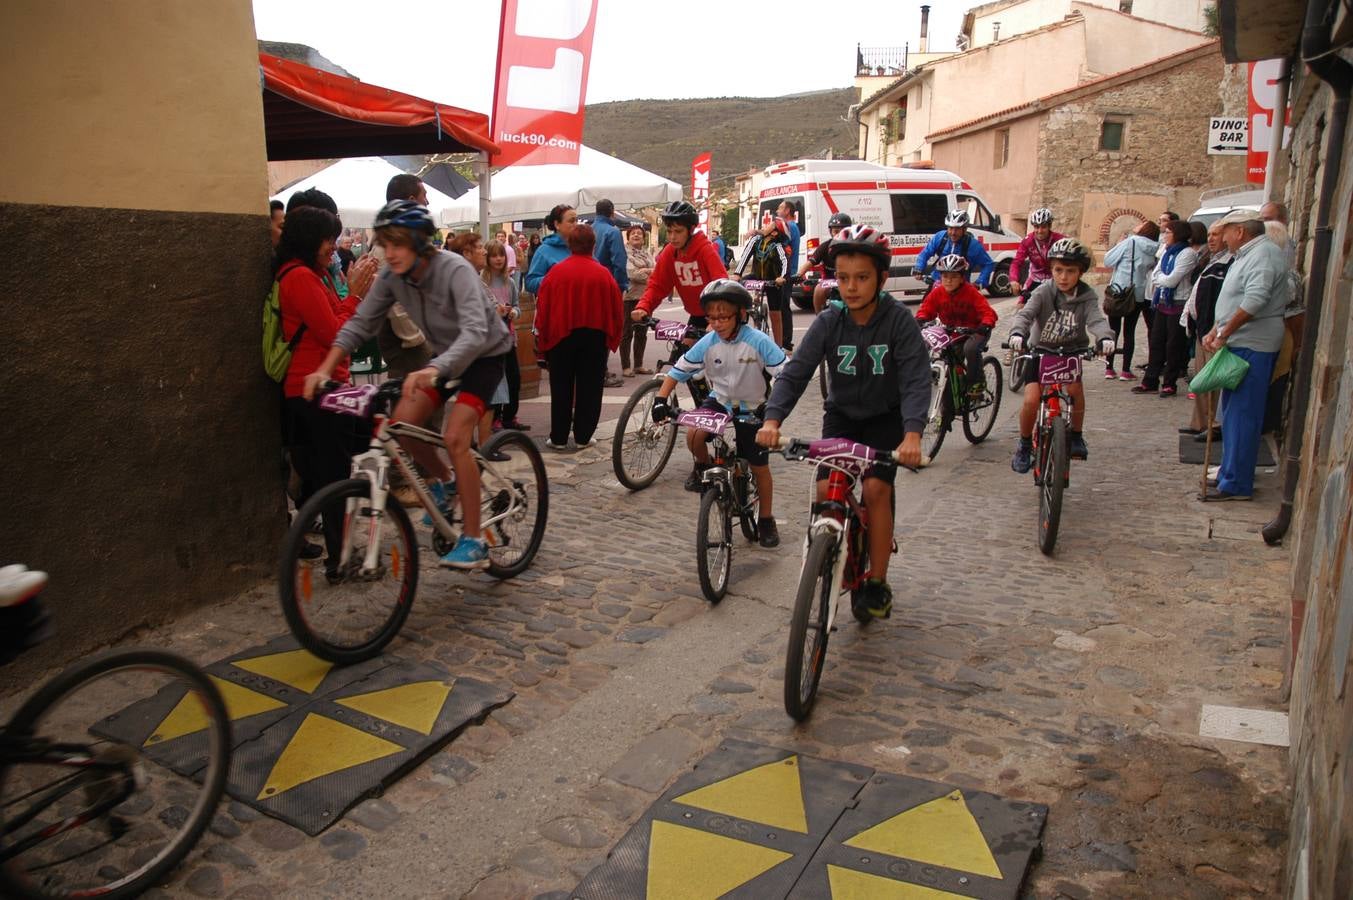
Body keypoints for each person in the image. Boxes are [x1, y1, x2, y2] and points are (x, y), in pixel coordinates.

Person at [303, 200, 513, 569]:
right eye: (386, 243)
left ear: (420, 243)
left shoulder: (454, 270)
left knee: (456, 436)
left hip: (485, 352)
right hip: (446, 356)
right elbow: (360, 324)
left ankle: (475, 539)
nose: (391, 252)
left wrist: (435, 368)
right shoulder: (392, 277)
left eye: (399, 243)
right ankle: (447, 482)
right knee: (402, 424)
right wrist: (325, 368)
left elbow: (476, 332)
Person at [757, 225, 930, 620]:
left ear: (882, 279)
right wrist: (772, 420)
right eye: (844, 277)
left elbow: (917, 380)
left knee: (875, 489)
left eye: (863, 278)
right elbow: (796, 373)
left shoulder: (899, 321)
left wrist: (912, 435)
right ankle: (826, 550)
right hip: (842, 417)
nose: (851, 287)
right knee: (825, 489)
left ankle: (876, 581)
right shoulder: (829, 320)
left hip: (886, 419)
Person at [651, 279, 787, 545]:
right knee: (694, 436)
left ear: (741, 314)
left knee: (759, 467)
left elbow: (785, 375)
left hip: (752, 405)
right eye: (712, 318)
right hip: (721, 400)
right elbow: (678, 371)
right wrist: (660, 399)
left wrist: (774, 409)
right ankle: (704, 472)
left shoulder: (758, 341)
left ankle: (767, 519)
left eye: (723, 317)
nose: (717, 323)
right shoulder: (708, 341)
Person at [276, 206, 373, 574]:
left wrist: (350, 291)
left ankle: (338, 550)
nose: (333, 247)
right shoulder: (299, 277)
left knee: (324, 473)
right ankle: (341, 558)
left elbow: (336, 316)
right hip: (316, 388)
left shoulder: (314, 275)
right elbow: (334, 334)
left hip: (316, 387)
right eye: (328, 240)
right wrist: (356, 296)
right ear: (309, 240)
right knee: (334, 475)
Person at [632, 200, 731, 486]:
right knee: (683, 362)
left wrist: (718, 316)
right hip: (695, 315)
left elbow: (720, 282)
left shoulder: (705, 249)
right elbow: (657, 285)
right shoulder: (669, 253)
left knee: (718, 369)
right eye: (669, 231)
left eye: (677, 231)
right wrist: (644, 307)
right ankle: (701, 432)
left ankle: (718, 414)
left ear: (690, 230)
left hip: (716, 314)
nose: (672, 237)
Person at [1200, 209, 1291, 501]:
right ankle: (1231, 473)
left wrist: (1225, 332)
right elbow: (1235, 299)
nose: (1222, 237)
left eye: (1225, 231)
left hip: (1253, 343)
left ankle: (1237, 482)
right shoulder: (1250, 254)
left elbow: (1255, 300)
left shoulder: (1262, 254)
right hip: (1241, 341)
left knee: (1243, 415)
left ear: (1240, 231)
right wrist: (1218, 328)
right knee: (1233, 413)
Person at [1008, 239, 1116, 472]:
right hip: (1040, 351)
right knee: (1031, 400)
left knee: (1076, 391)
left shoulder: (1087, 295)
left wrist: (1104, 338)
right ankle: (1025, 443)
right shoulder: (1043, 291)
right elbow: (1025, 315)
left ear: (1081, 272)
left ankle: (1076, 435)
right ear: (1051, 270)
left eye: (1070, 271)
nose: (1064, 277)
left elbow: (1096, 319)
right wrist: (1018, 333)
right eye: (1058, 270)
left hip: (1070, 352)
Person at [534, 224, 623, 450]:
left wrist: (541, 335)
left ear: (569, 244)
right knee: (590, 387)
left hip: (561, 336)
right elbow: (616, 310)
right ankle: (583, 436)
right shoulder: (604, 274)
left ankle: (559, 437)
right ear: (593, 245)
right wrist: (613, 337)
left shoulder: (556, 273)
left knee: (561, 386)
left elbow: (543, 307)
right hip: (595, 337)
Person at [448, 232, 506, 456]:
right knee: (474, 410)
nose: (484, 251)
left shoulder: (473, 278)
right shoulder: (466, 279)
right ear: (466, 253)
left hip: (482, 354)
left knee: (475, 409)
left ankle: (480, 449)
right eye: (480, 247)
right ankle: (481, 448)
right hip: (474, 352)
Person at [914, 254, 998, 395]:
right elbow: (926, 310)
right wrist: (921, 320)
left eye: (954, 277)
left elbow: (988, 313)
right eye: (945, 276)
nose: (948, 281)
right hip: (952, 332)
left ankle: (977, 383)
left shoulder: (971, 292)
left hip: (975, 331)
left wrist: (985, 325)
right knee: (947, 359)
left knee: (970, 349)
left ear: (962, 278)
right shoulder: (938, 292)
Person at [1133, 220, 1196, 397]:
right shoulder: (1167, 252)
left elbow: (1171, 280)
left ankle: (1170, 382)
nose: (1165, 235)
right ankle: (1150, 380)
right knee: (1156, 343)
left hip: (1178, 303)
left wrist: (1162, 279)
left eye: (1168, 232)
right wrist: (1162, 278)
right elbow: (1155, 275)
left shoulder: (1187, 254)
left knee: (1173, 346)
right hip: (1161, 302)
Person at [1180, 221, 1231, 440]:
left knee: (1211, 380)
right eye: (1209, 234)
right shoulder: (1212, 261)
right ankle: (1199, 422)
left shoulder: (1228, 263)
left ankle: (1212, 424)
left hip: (1212, 329)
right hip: (1202, 329)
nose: (1211, 239)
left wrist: (1215, 329)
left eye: (1216, 235)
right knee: (1201, 378)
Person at [1102, 220, 1159, 380]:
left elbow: (1108, 260)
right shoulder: (1155, 247)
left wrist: (1118, 245)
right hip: (1137, 293)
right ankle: (1125, 370)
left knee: (1113, 331)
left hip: (1119, 292)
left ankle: (1109, 368)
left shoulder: (1130, 242)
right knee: (1130, 331)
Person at [484, 240, 528, 432]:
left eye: (501, 255)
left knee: (514, 378)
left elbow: (517, 305)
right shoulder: (481, 281)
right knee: (494, 378)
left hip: (509, 336)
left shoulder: (509, 282)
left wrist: (514, 313)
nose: (498, 259)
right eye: (494, 255)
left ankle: (510, 416)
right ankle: (494, 417)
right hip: (490, 339)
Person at [732, 216, 792, 348]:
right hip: (756, 276)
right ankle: (739, 331)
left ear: (775, 232)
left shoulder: (778, 246)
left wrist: (782, 277)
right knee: (736, 291)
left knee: (775, 314)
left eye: (770, 225)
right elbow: (745, 256)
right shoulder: (756, 240)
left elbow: (785, 262)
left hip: (773, 280)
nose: (766, 226)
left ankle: (779, 347)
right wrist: (737, 274)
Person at [591, 200, 630, 388]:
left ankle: (596, 370)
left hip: (589, 286)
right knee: (606, 329)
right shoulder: (613, 232)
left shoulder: (589, 229)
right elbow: (619, 262)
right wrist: (621, 286)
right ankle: (601, 371)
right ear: (612, 213)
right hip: (608, 286)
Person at [913, 209, 995, 290]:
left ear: (965, 229)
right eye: (950, 228)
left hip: (961, 289)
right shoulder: (940, 237)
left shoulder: (973, 245)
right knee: (925, 303)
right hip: (937, 284)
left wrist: (979, 283)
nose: (953, 232)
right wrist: (918, 268)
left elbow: (988, 264)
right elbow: (925, 253)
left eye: (957, 229)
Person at [799, 212, 852, 312]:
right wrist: (798, 274)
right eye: (835, 231)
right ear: (830, 232)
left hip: (848, 281)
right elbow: (810, 262)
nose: (838, 234)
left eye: (842, 231)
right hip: (828, 282)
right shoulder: (825, 246)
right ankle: (820, 320)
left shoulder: (853, 247)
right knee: (818, 290)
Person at [1010, 208, 1064, 303]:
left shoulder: (1059, 240)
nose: (1039, 231)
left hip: (1054, 279)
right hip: (1035, 278)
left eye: (1043, 227)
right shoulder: (1028, 241)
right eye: (1036, 227)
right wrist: (1014, 280)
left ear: (1049, 226)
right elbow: (1017, 262)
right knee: (1021, 308)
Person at [622, 225, 655, 377]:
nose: (636, 235)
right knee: (627, 333)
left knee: (642, 332)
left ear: (644, 237)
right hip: (629, 297)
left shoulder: (647, 253)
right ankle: (626, 367)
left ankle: (638, 364)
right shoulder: (624, 252)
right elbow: (631, 273)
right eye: (633, 233)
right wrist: (648, 273)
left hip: (645, 298)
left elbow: (657, 270)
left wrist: (646, 271)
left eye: (639, 233)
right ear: (628, 237)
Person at [524, 204, 576, 296]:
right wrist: (555, 278)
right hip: (558, 306)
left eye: (577, 220)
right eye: (571, 221)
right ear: (557, 224)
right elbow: (530, 283)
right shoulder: (544, 251)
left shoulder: (581, 247)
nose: (576, 224)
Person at [776, 200, 803, 350]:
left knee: (783, 306)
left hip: (787, 272)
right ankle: (784, 341)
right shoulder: (791, 226)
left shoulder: (790, 226)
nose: (777, 210)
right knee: (781, 306)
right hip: (785, 272)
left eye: (780, 208)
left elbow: (782, 244)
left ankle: (787, 342)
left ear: (787, 211)